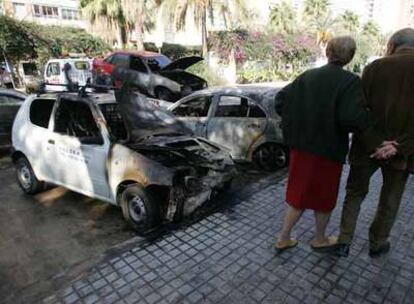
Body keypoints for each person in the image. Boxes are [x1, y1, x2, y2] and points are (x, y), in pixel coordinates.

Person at [274, 36, 371, 252]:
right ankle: (319, 239)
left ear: (328, 52)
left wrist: (299, 122)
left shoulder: (307, 76)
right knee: (324, 197)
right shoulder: (351, 81)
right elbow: (351, 118)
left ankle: (283, 238)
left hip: (301, 149)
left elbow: (280, 100)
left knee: (298, 195)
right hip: (328, 151)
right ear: (351, 56)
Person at [333, 28, 414, 258]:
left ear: (392, 46)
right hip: (401, 152)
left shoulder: (374, 68)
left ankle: (344, 241)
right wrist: (398, 146)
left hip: (366, 148)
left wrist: (376, 143)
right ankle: (377, 243)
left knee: (355, 193)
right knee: (390, 199)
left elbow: (359, 110)